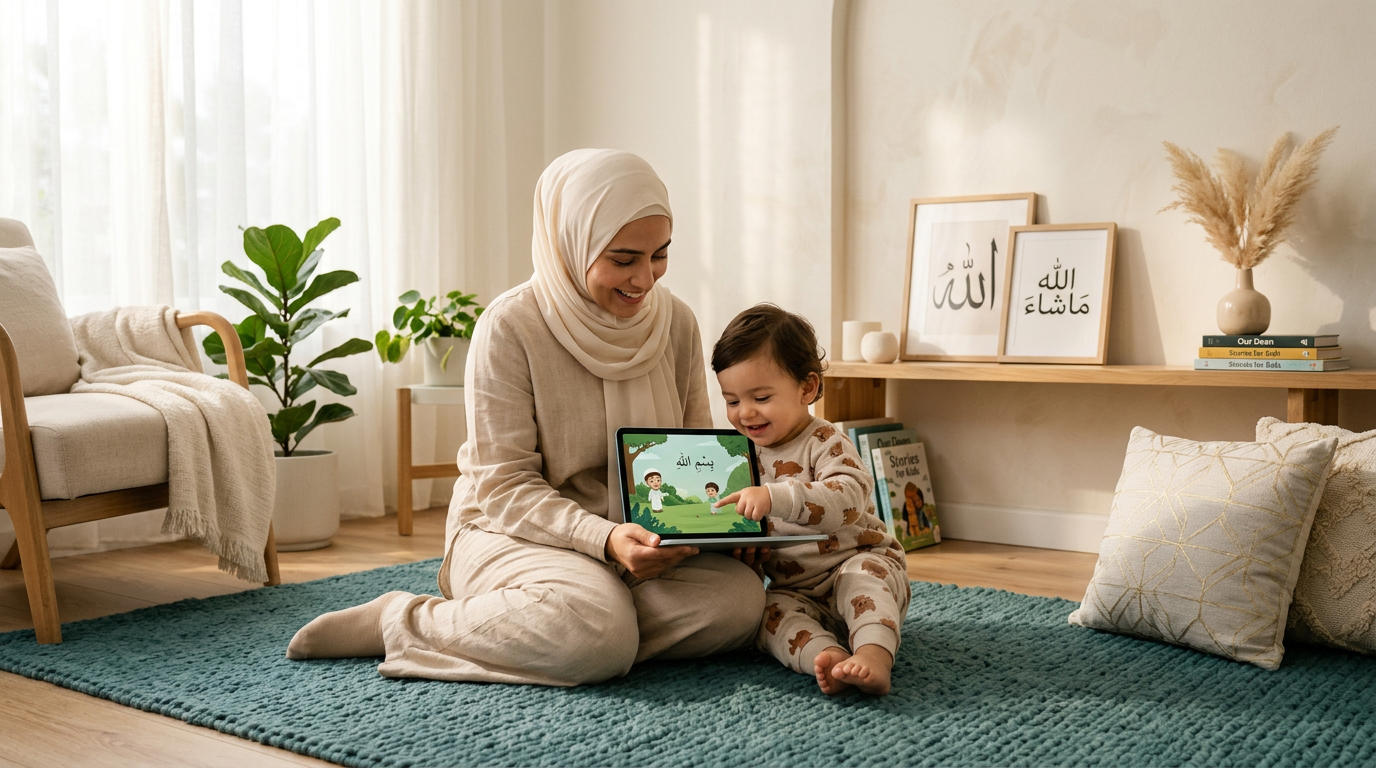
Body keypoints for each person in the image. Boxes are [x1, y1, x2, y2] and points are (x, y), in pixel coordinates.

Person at [286, 149, 766, 685]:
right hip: (512, 532)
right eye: (624, 259)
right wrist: (604, 538)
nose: (645, 278)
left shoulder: (676, 322)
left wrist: (724, 520)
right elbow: (504, 485)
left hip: (637, 545)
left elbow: (694, 450)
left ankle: (571, 628)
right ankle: (407, 621)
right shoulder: (511, 325)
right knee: (597, 629)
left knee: (742, 603)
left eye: (660, 254)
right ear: (570, 243)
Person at [711, 304, 909, 696]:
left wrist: (775, 497)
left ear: (807, 388)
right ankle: (826, 655)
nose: (744, 413)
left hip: (855, 564)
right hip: (796, 589)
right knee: (765, 614)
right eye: (732, 400)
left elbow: (849, 497)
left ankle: (873, 655)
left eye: (761, 397)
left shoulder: (825, 441)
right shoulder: (737, 455)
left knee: (864, 580)